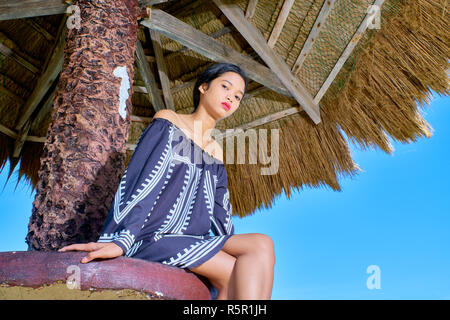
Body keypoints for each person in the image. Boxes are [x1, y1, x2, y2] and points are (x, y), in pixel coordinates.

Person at [59, 62, 275, 300]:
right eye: (225, 87)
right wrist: (122, 240)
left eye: (237, 96)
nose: (231, 98)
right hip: (154, 236)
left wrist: (227, 249)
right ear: (203, 87)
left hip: (194, 240)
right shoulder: (169, 122)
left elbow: (220, 214)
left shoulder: (217, 152)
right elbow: (142, 183)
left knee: (259, 248)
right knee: (239, 269)